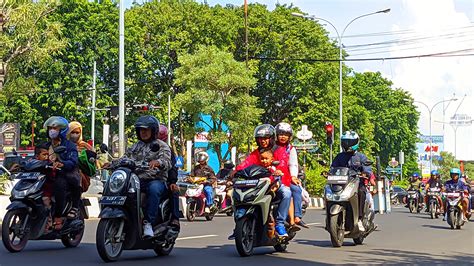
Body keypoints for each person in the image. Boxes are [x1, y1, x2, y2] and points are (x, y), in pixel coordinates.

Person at [233, 124, 292, 237]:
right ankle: (239, 225)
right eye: (260, 138)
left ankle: (279, 224)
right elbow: (246, 163)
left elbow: (283, 163)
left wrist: (278, 171)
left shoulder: (279, 151)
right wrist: (235, 171)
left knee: (286, 193)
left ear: (271, 138)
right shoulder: (256, 152)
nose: (262, 141)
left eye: (265, 138)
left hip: (276, 182)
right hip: (259, 183)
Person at [121, 115, 172, 237]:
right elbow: (125, 159)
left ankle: (148, 223)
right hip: (136, 180)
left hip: (155, 180)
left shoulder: (161, 146)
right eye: (140, 130)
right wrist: (111, 163)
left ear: (153, 131)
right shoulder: (134, 146)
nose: (143, 132)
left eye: (146, 129)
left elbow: (167, 161)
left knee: (154, 189)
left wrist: (158, 162)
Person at [44, 116, 82, 230]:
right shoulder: (45, 145)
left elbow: (73, 161)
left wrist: (62, 164)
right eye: (50, 128)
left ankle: (58, 217)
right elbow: (36, 157)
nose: (52, 131)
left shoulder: (69, 146)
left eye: (55, 128)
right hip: (47, 174)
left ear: (62, 130)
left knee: (59, 185)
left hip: (63, 175)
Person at [331, 130, 372, 231]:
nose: (347, 144)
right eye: (345, 142)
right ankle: (329, 219)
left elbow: (367, 169)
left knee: (361, 192)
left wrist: (365, 173)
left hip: (357, 183)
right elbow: (333, 168)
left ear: (356, 143)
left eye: (350, 142)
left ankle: (360, 219)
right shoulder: (339, 156)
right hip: (341, 183)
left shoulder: (361, 157)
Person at [275, 122, 307, 229]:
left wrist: (293, 176)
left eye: (286, 134)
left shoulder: (290, 148)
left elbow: (293, 164)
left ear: (289, 136)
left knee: (296, 189)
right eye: (280, 134)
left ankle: (297, 217)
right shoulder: (271, 146)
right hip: (272, 176)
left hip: (286, 177)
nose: (283, 136)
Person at [157, 124, 180, 232]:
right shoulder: (140, 146)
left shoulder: (167, 149)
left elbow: (172, 167)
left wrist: (172, 181)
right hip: (140, 178)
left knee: (173, 190)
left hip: (161, 179)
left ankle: (175, 218)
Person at [67, 121, 96, 193]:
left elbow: (92, 161)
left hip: (81, 175)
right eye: (72, 132)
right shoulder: (64, 145)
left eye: (77, 133)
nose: (75, 135)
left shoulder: (85, 146)